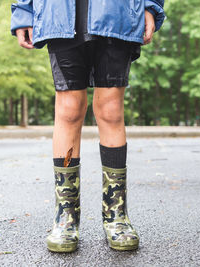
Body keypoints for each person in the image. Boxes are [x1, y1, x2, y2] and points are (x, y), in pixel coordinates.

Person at [11, 0, 165, 252]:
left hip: (119, 13)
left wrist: (150, 5)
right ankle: (65, 217)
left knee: (111, 110)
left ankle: (116, 215)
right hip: (58, 13)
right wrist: (23, 10)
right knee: (68, 110)